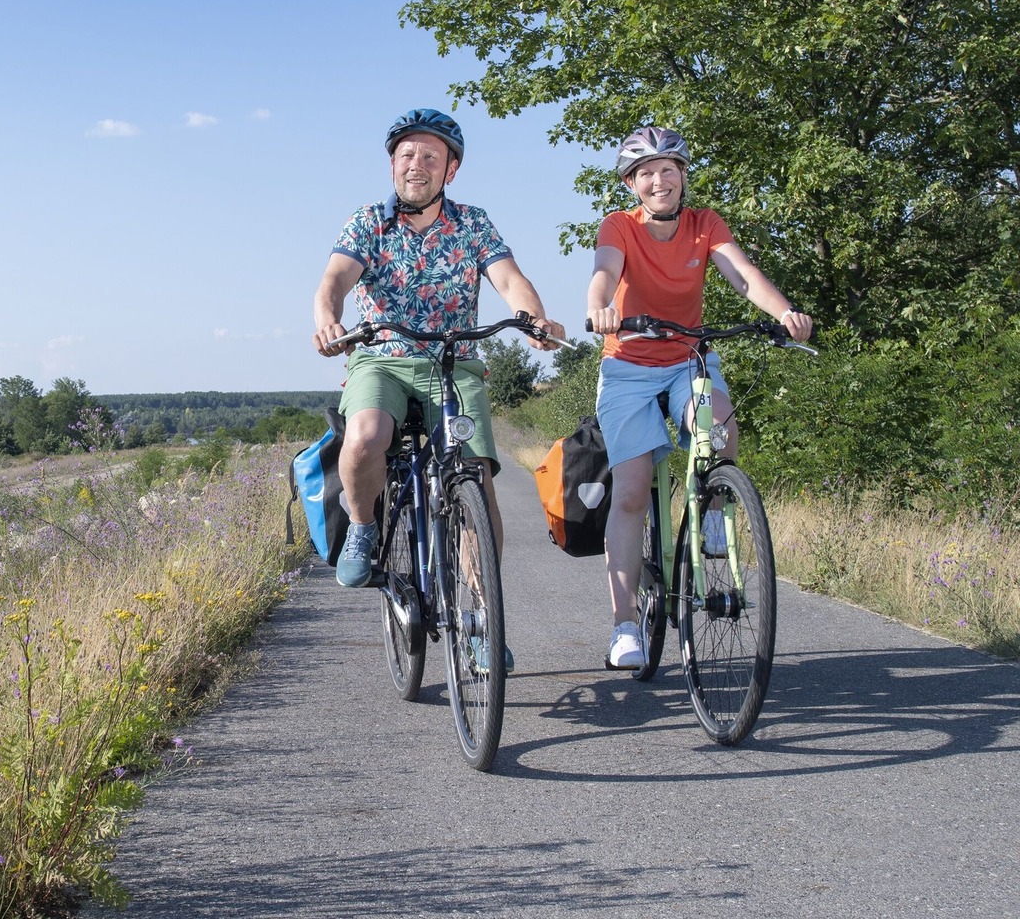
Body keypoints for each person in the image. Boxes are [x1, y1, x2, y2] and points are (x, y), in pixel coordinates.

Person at [313, 108, 567, 615]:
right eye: (406, 155)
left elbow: (510, 279)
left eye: (430, 157)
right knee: (364, 438)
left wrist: (534, 319)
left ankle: (482, 617)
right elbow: (335, 280)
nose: (416, 165)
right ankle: (363, 526)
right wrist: (328, 321)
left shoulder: (472, 223)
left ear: (451, 169)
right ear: (392, 165)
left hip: (453, 363)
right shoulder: (367, 222)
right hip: (382, 360)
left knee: (474, 477)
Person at [585, 126, 813, 669]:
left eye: (668, 170)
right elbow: (604, 272)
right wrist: (600, 308)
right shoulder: (619, 225)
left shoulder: (704, 223)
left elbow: (743, 275)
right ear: (632, 184)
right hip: (629, 366)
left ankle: (712, 512)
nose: (658, 181)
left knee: (720, 427)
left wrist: (784, 312)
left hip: (688, 360)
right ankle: (624, 626)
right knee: (632, 490)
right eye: (646, 173)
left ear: (683, 176)